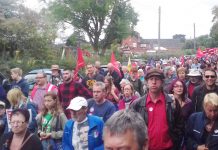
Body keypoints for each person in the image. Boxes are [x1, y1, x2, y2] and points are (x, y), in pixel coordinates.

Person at [130, 68, 183, 150]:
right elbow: (131, 128)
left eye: (157, 79)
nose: (154, 82)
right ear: (147, 82)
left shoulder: (172, 103)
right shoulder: (137, 104)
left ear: (162, 82)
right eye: (151, 79)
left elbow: (180, 125)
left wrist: (175, 143)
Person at [168, 79, 194, 149]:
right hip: (170, 133)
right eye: (176, 86)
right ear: (172, 88)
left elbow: (191, 119)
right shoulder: (167, 101)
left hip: (184, 133)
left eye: (181, 86)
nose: (179, 88)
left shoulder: (188, 102)